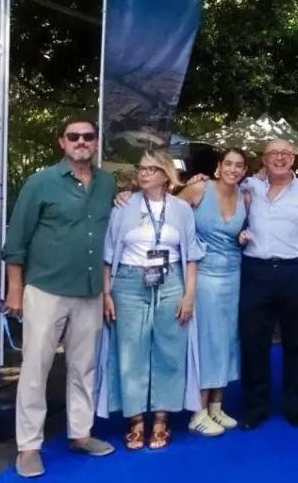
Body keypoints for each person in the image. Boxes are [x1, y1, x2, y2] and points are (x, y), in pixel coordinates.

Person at [2, 117, 117, 478]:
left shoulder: (107, 183)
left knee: (84, 368)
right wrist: (15, 288)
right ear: (62, 143)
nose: (81, 141)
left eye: (88, 136)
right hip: (46, 289)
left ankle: (80, 434)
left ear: (96, 143)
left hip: (89, 292)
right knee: (36, 369)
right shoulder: (41, 183)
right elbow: (16, 240)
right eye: (74, 137)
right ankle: (29, 447)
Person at [97, 150, 204, 451]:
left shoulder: (181, 209)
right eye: (140, 168)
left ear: (165, 175)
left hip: (171, 282)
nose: (143, 174)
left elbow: (192, 256)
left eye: (150, 169)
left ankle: (161, 419)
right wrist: (107, 294)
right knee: (131, 352)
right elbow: (107, 257)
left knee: (170, 350)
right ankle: (135, 421)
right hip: (129, 283)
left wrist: (189, 295)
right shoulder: (123, 206)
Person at [238, 139, 298, 429]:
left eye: (285, 153)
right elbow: (221, 200)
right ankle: (254, 408)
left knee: (297, 344)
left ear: (294, 159)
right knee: (253, 343)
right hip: (255, 271)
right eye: (273, 153)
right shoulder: (248, 188)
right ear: (263, 160)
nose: (279, 158)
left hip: (295, 272)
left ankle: (295, 407)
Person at [175, 148, 251, 436]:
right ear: (219, 166)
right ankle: (198, 411)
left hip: (234, 275)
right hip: (203, 276)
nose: (233, 169)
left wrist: (243, 239)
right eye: (228, 164)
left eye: (239, 165)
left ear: (245, 171)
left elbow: (243, 233)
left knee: (226, 340)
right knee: (205, 342)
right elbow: (167, 211)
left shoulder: (245, 197)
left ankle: (217, 406)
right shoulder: (198, 189)